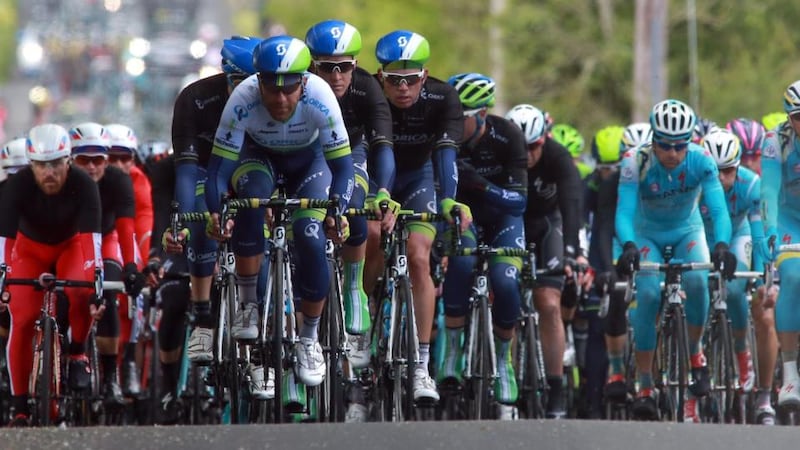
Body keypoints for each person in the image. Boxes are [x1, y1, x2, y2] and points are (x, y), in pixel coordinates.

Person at [205, 36, 353, 393]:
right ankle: (249, 304)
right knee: (250, 200)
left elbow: (344, 168)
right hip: (259, 158)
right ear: (259, 82)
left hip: (310, 163)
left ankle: (308, 339)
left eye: (290, 89)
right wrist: (217, 210)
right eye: (273, 90)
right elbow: (218, 173)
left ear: (304, 82)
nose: (282, 99)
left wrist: (338, 209)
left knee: (310, 234)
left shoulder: (320, 95)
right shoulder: (243, 99)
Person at [159, 36, 266, 420]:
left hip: (252, 169)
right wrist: (185, 220)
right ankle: (204, 313)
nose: (251, 90)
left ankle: (263, 334)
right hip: (206, 169)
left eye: (258, 80)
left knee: (263, 233)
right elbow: (187, 170)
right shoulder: (194, 99)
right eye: (240, 81)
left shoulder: (272, 96)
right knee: (203, 216)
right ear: (225, 76)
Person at [363, 29, 469, 403]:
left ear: (424, 77)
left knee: (420, 257)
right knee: (373, 235)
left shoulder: (444, 97)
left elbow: (445, 154)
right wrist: (379, 194)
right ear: (381, 77)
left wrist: (448, 201)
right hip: (378, 176)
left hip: (421, 177)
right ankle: (364, 313)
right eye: (394, 79)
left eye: (411, 79)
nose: (403, 88)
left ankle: (422, 366)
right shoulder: (369, 97)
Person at [615, 99, 735, 421]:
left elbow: (719, 209)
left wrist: (722, 244)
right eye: (665, 146)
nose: (672, 154)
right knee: (650, 294)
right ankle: (644, 386)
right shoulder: (633, 162)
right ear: (652, 140)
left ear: (690, 142)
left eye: (680, 146)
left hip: (687, 230)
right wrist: (627, 245)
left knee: (697, 280)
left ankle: (695, 353)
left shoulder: (702, 160)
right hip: (646, 235)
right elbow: (624, 212)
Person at [305, 20, 395, 370]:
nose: (338, 75)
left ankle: (354, 287)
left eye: (345, 66)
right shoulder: (301, 86)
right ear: (313, 65)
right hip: (308, 154)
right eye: (328, 67)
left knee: (355, 206)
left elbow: (383, 144)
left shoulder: (367, 88)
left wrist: (384, 190)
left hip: (352, 154)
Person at [0, 124, 103, 426]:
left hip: (70, 247)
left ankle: (78, 352)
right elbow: (4, 242)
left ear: (69, 161)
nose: (50, 173)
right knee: (22, 317)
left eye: (57, 163)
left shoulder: (84, 184)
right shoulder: (16, 186)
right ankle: (19, 406)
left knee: (82, 290)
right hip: (30, 251)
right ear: (31, 164)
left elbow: (91, 242)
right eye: (42, 165)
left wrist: (96, 282)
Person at [437, 73, 527, 419]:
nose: (455, 127)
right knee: (460, 262)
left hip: (504, 219)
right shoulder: (446, 136)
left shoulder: (508, 135)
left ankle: (503, 360)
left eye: (463, 119)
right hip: (464, 219)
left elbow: (518, 203)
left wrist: (479, 186)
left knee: (505, 281)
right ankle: (452, 351)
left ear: (483, 114)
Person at [506, 103, 590, 418]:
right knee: (504, 298)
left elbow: (571, 204)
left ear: (545, 139)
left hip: (547, 224)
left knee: (549, 303)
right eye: (521, 148)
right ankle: (504, 378)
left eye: (534, 147)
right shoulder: (501, 152)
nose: (527, 155)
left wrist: (573, 252)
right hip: (510, 221)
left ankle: (555, 390)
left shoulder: (557, 156)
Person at [700, 127, 776, 424]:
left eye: (728, 171)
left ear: (738, 166)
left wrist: (759, 277)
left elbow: (758, 235)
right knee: (695, 288)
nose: (721, 179)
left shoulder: (750, 184)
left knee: (734, 289)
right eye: (714, 171)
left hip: (738, 235)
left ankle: (743, 355)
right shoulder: (694, 184)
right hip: (702, 236)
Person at [69, 122, 141, 406]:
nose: (90, 167)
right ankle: (66, 355)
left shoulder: (118, 180)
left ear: (106, 159)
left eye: (97, 160)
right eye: (82, 160)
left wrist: (131, 267)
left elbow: (126, 228)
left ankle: (111, 378)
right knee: (67, 293)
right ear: (70, 159)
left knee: (109, 293)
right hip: (71, 240)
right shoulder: (65, 180)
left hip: (107, 237)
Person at [761, 79, 800, 414]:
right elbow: (769, 192)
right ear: (789, 117)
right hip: (789, 223)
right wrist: (769, 231)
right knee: (794, 278)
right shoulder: (776, 142)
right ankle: (790, 373)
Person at [102, 123, 149, 396]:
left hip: (123, 236)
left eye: (126, 157)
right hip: (96, 235)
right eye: (113, 157)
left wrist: (147, 260)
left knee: (136, 292)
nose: (119, 164)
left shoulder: (138, 180)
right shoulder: (92, 174)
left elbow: (143, 223)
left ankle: (129, 359)